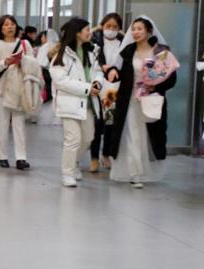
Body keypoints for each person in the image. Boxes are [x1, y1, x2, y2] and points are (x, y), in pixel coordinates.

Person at [103, 17, 177, 188]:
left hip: (150, 100)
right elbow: (119, 71)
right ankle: (134, 173)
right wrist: (113, 71)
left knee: (147, 134)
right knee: (131, 133)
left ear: (149, 32)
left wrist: (155, 87)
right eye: (133, 29)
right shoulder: (128, 51)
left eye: (139, 29)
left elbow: (171, 79)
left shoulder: (160, 52)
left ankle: (142, 170)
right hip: (129, 100)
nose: (135, 32)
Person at [49, 18, 105, 188]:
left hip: (88, 103)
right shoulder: (62, 54)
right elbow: (61, 81)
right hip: (69, 103)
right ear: (78, 33)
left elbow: (97, 71)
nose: (90, 32)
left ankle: (72, 164)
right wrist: (87, 88)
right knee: (73, 139)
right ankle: (67, 173)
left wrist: (97, 83)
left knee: (88, 138)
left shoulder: (92, 51)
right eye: (87, 29)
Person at [0, 15, 32, 170]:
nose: (10, 27)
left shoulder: (24, 45)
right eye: (6, 25)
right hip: (1, 90)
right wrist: (4, 62)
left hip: (19, 89)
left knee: (20, 125)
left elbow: (33, 66)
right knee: (2, 124)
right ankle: (3, 156)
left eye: (12, 24)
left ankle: (21, 157)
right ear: (1, 28)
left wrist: (22, 62)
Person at [89, 13, 124, 170]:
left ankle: (106, 154)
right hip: (97, 85)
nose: (111, 29)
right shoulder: (94, 42)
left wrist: (115, 71)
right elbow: (93, 65)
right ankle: (94, 157)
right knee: (97, 123)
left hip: (113, 89)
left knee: (110, 122)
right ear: (102, 26)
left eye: (115, 27)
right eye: (108, 26)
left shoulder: (122, 44)